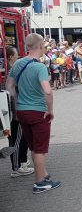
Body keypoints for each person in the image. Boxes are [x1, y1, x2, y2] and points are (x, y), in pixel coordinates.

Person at [6, 33, 61, 194]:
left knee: (33, 146)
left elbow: (9, 85)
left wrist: (16, 104)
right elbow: (48, 91)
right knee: (40, 149)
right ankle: (40, 182)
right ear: (40, 46)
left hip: (22, 112)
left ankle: (42, 174)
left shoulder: (18, 64)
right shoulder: (39, 67)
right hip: (38, 111)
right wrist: (50, 110)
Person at [6, 46, 34, 178]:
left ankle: (22, 162)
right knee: (16, 139)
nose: (18, 56)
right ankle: (16, 167)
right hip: (14, 112)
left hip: (15, 110)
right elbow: (12, 93)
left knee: (20, 138)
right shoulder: (10, 72)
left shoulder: (12, 70)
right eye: (16, 54)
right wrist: (17, 110)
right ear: (11, 57)